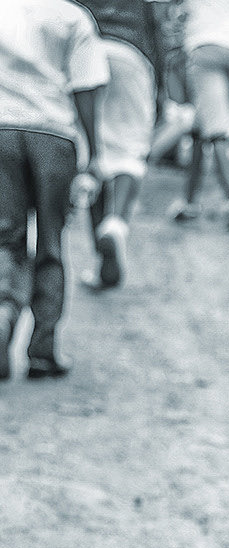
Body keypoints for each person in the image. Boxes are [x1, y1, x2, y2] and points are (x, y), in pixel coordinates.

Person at [0, 0, 109, 379]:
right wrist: (94, 149)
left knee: (5, 240)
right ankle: (42, 351)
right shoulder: (71, 15)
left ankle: (2, 315)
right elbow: (86, 86)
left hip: (1, 132)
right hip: (53, 135)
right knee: (50, 242)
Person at [74, 0, 170, 290]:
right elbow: (156, 31)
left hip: (89, 50)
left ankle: (102, 261)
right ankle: (115, 223)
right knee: (129, 149)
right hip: (132, 54)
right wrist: (161, 87)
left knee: (95, 151)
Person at [172, 0, 229, 230]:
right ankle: (189, 202)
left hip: (205, 49)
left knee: (216, 131)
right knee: (203, 127)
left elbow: (177, 18)